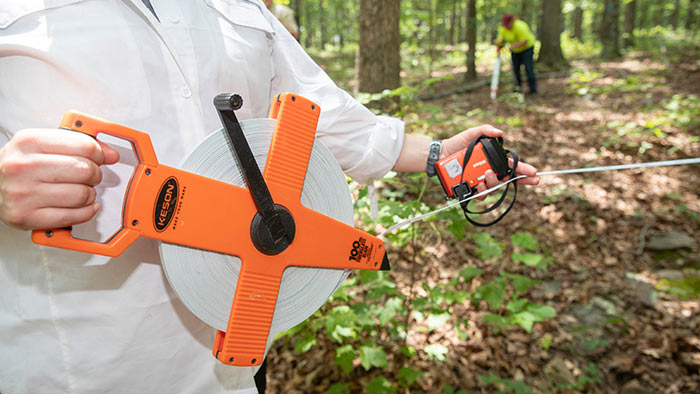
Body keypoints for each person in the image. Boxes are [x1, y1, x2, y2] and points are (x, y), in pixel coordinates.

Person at [0, 1, 539, 393]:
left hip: (238, 347)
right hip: (77, 364)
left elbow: (318, 111)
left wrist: (439, 154)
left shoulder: (240, 5)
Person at [494, 14, 537, 94]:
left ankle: (533, 89)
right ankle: (518, 89)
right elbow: (501, 39)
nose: (507, 27)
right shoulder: (503, 28)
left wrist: (513, 46)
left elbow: (525, 41)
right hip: (515, 51)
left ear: (512, 21)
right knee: (515, 69)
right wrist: (499, 45)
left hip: (527, 48)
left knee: (528, 68)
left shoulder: (520, 26)